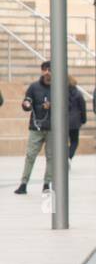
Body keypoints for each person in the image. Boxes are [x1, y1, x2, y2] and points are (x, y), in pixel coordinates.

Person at [14, 61, 53, 194]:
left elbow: (67, 106)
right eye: (45, 69)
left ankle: (47, 183)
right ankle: (24, 183)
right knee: (30, 155)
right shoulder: (34, 87)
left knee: (51, 156)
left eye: (50, 70)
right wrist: (27, 104)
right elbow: (28, 101)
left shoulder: (60, 87)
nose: (47, 72)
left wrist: (52, 106)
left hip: (53, 128)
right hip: (36, 127)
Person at [66, 78, 87, 159]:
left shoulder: (60, 93)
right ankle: (69, 156)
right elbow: (82, 107)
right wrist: (83, 119)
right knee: (74, 141)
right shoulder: (78, 94)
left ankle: (66, 155)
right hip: (75, 121)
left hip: (63, 121)